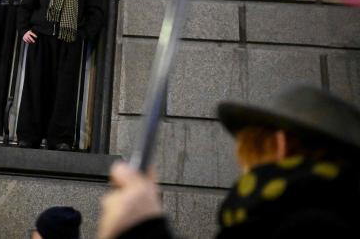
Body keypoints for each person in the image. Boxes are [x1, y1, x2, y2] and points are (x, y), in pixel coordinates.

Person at [98, 85, 360, 239]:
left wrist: (143, 227)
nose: (246, 171)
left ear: (280, 145)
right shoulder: (335, 209)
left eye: (254, 155)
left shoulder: (314, 225)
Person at [16, 0, 103, 151]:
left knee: (65, 90)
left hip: (69, 40)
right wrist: (24, 30)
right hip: (41, 38)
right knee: (34, 87)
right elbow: (25, 6)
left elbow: (96, 12)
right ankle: (29, 136)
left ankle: (61, 139)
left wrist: (83, 35)